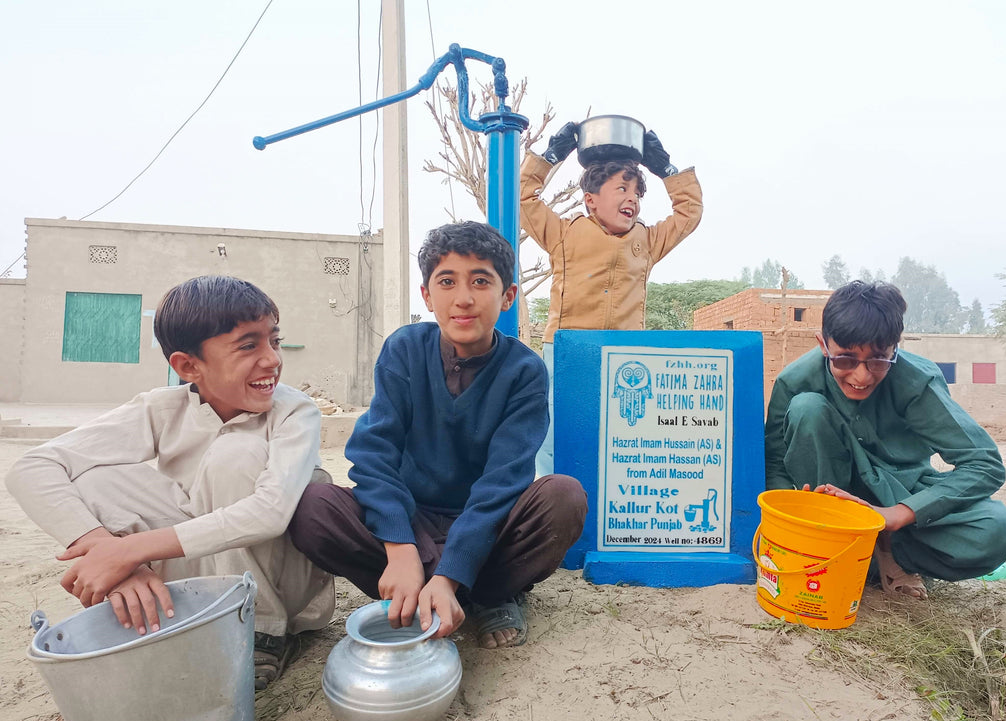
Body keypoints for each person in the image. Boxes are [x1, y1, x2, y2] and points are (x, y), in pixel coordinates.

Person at [5, 275, 336, 689]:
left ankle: (259, 629)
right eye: (249, 345)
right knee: (92, 476)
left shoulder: (293, 411)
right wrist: (114, 556)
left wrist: (131, 549)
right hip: (197, 571)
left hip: (279, 586)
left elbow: (269, 514)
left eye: (273, 339)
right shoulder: (161, 408)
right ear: (187, 366)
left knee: (237, 454)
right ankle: (181, 608)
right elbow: (32, 467)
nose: (271, 359)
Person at [288, 221, 587, 648]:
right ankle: (428, 584)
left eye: (481, 281)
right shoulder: (405, 349)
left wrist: (449, 570)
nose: (463, 298)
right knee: (312, 506)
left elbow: (503, 482)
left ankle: (481, 591)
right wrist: (400, 547)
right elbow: (374, 456)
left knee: (563, 497)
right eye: (446, 281)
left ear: (508, 297)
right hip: (412, 516)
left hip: (488, 523)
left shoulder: (524, 371)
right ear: (427, 296)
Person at [764, 280, 1006, 598]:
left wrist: (897, 514)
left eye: (878, 360)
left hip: (900, 497)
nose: (861, 376)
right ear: (822, 345)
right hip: (827, 513)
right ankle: (835, 551)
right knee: (807, 408)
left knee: (999, 528)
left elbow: (985, 464)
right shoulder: (794, 381)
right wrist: (791, 521)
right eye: (844, 360)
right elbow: (774, 462)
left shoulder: (917, 382)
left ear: (895, 348)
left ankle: (888, 555)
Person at [521, 122, 704, 474]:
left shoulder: (647, 242)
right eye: (621, 188)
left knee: (618, 433)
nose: (631, 199)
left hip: (623, 355)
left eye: (637, 192)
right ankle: (549, 499)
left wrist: (666, 170)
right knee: (554, 434)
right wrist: (549, 157)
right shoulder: (563, 234)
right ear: (591, 199)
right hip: (566, 350)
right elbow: (525, 197)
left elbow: (689, 212)